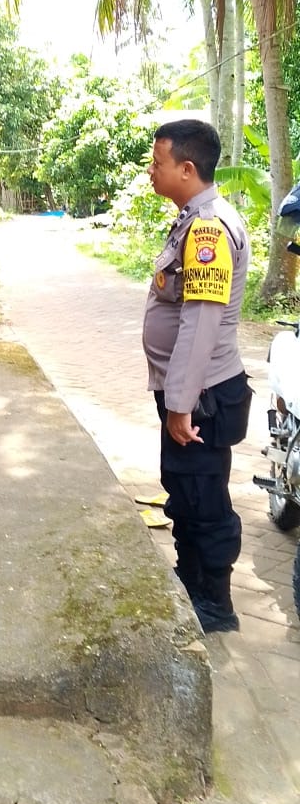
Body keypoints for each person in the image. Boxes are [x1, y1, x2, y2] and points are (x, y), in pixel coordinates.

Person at [143, 119, 252, 633]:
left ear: (187, 169)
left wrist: (180, 404)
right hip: (189, 392)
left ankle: (214, 603)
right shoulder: (190, 219)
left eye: (158, 162)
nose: (151, 170)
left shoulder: (208, 228)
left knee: (204, 497)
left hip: (201, 395)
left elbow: (201, 321)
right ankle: (190, 582)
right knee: (185, 490)